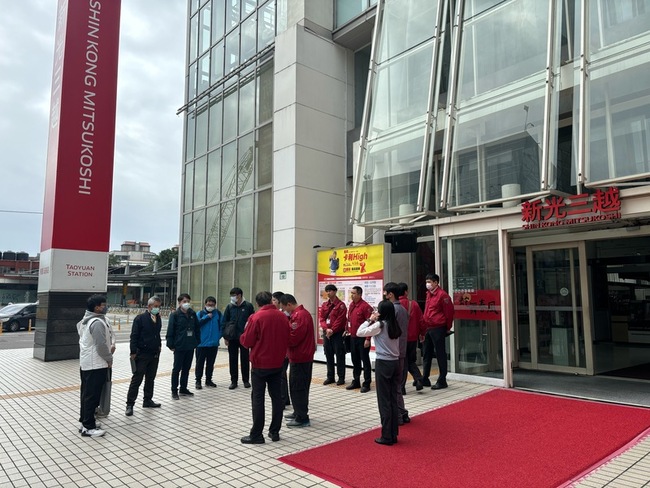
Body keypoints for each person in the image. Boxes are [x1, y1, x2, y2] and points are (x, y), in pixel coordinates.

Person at [239, 291, 290, 444]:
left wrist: (242, 336)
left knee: (258, 398)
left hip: (260, 364)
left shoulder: (256, 317)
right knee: (277, 398)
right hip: (278, 362)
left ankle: (256, 434)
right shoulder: (283, 317)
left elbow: (247, 341)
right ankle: (275, 431)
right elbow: (288, 337)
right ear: (271, 301)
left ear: (257, 303)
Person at [357, 300, 401, 446]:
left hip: (383, 363)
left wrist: (370, 319)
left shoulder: (380, 325)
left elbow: (359, 332)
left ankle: (386, 435)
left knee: (384, 401)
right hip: (395, 362)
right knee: (393, 399)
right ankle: (393, 433)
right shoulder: (394, 324)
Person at [77, 294, 115, 437]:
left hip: (88, 363)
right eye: (103, 305)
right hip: (96, 364)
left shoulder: (87, 320)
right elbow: (101, 345)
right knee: (92, 396)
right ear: (97, 307)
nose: (105, 307)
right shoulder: (97, 322)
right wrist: (109, 358)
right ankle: (88, 427)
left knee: (86, 394)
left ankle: (85, 421)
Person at [280, 294, 315, 428]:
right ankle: (298, 412)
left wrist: (282, 338)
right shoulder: (299, 314)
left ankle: (302, 418)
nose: (284, 311)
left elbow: (294, 338)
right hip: (299, 356)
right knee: (296, 386)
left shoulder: (299, 316)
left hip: (301, 357)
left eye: (284, 308)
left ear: (289, 304)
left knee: (298, 387)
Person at [125, 296, 162, 416]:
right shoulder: (140, 318)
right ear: (149, 306)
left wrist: (159, 346)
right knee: (137, 379)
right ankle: (130, 404)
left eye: (159, 306)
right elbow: (134, 336)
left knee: (150, 378)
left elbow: (157, 334)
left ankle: (147, 400)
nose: (157, 308)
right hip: (142, 353)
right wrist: (133, 352)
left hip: (154, 353)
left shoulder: (158, 318)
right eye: (155, 306)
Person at [421, 273, 455, 390]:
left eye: (429, 282)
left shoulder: (443, 295)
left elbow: (449, 313)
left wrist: (447, 327)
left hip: (438, 327)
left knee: (440, 354)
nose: (427, 284)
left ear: (436, 282)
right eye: (427, 282)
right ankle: (425, 378)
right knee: (426, 353)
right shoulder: (428, 294)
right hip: (428, 327)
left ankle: (442, 380)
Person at [384, 282, 410, 425]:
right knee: (397, 385)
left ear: (390, 294)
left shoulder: (393, 310)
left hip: (394, 352)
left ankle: (399, 415)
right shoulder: (403, 309)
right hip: (401, 350)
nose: (384, 295)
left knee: (394, 386)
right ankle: (402, 412)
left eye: (385, 293)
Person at [166, 293, 200, 400]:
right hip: (179, 346)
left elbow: (197, 328)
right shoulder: (175, 315)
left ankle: (183, 388)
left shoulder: (192, 314)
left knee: (186, 368)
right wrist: (171, 344)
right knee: (177, 369)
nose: (186, 303)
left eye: (188, 301)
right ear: (179, 303)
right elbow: (170, 330)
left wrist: (197, 341)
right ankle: (174, 390)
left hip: (190, 345)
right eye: (184, 301)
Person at [223, 287, 255, 389]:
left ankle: (246, 380)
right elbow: (224, 322)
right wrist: (225, 337)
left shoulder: (248, 306)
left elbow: (252, 321)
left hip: (244, 337)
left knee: (245, 359)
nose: (232, 297)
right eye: (231, 295)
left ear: (240, 295)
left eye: (234, 295)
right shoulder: (229, 307)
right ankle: (234, 381)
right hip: (232, 337)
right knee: (233, 359)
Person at [398, 282, 425, 392]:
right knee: (410, 361)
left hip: (400, 338)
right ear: (406, 292)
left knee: (403, 362)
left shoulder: (395, 306)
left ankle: (401, 387)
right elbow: (421, 321)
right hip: (413, 338)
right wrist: (422, 333)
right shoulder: (413, 304)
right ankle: (418, 379)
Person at [346, 286, 373, 393]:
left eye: (353, 293)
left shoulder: (365, 307)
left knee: (365, 360)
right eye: (351, 293)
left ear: (359, 294)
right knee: (355, 360)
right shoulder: (352, 305)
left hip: (362, 338)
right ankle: (356, 380)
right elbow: (349, 319)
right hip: (353, 337)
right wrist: (346, 330)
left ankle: (367, 383)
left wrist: (368, 339)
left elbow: (371, 323)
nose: (351, 295)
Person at [319, 284, 348, 385]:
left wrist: (332, 330)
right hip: (327, 333)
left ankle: (341, 377)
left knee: (340, 355)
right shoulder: (324, 305)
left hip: (337, 334)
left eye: (330, 291)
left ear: (335, 291)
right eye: (327, 291)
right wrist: (326, 329)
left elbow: (340, 320)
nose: (328, 293)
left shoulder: (341, 305)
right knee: (328, 354)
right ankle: (330, 377)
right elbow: (322, 318)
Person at [195, 296, 222, 389]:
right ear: (205, 304)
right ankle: (198, 380)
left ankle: (208, 380)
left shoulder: (218, 314)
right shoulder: (200, 314)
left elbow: (222, 326)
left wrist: (218, 337)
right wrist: (206, 317)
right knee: (200, 363)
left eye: (212, 305)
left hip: (213, 344)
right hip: (201, 344)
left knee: (210, 363)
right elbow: (196, 325)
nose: (210, 306)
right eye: (209, 304)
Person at [272, 291, 291, 409]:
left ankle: (283, 400)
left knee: (281, 375)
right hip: (280, 349)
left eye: (274, 300)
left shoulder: (286, 316)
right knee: (282, 374)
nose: (272, 302)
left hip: (284, 350)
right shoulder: (280, 313)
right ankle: (285, 398)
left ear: (280, 302)